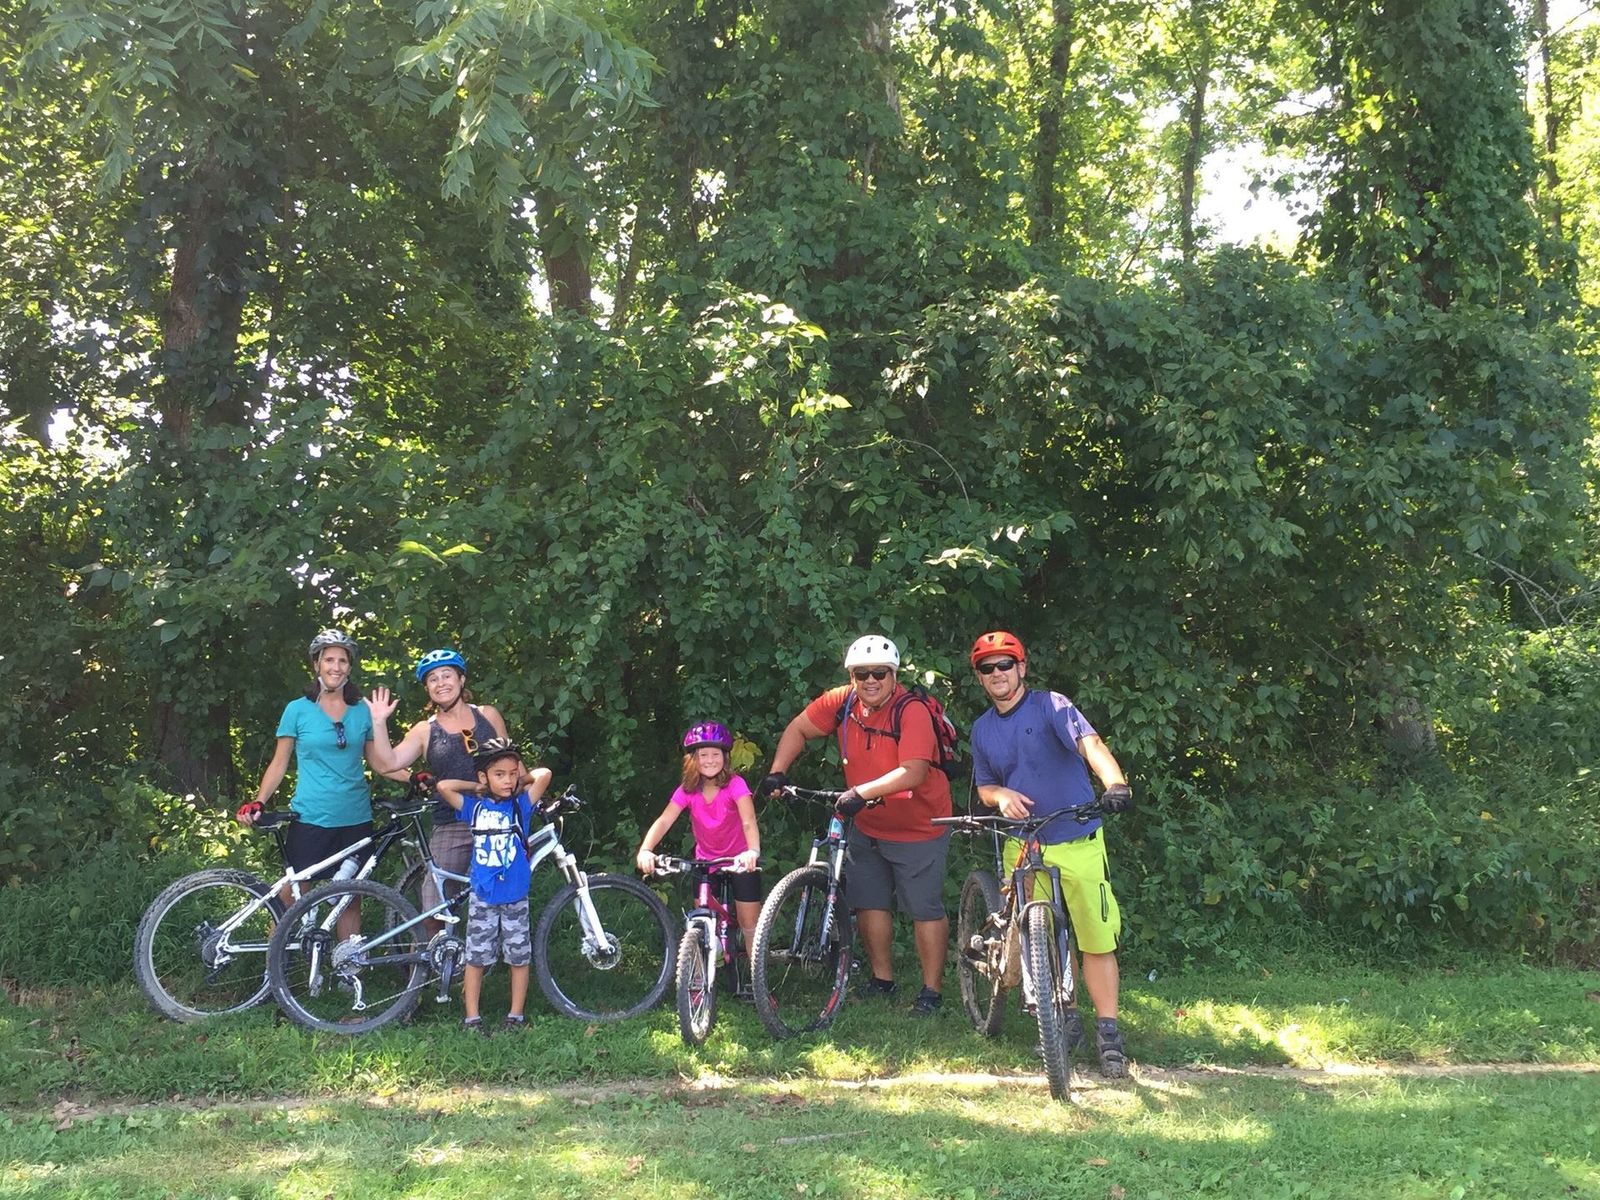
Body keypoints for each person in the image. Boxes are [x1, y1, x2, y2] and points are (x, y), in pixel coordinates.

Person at [967, 630, 1135, 1077]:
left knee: (1096, 939)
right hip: (1023, 843)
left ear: (1021, 667)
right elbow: (985, 787)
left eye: (1005, 664)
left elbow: (1091, 745)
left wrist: (1115, 784)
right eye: (987, 667)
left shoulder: (1051, 706)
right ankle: (1063, 1017)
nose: (997, 673)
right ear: (980, 677)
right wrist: (1001, 795)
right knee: (1038, 936)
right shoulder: (982, 729)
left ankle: (1109, 1034)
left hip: (1076, 837)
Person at [760, 634, 953, 1016]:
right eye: (862, 674)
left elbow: (913, 771)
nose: (870, 680)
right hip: (867, 823)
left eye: (879, 673)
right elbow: (799, 728)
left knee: (924, 908)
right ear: (851, 676)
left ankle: (931, 991)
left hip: (919, 827)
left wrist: (861, 792)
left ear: (893, 675)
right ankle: (882, 981)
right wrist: (778, 772)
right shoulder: (842, 702)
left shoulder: (910, 710)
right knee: (869, 902)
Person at [236, 629, 404, 939]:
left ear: (349, 667)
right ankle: (273, 959)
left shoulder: (362, 711)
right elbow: (279, 762)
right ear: (317, 664)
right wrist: (259, 800)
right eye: (329, 660)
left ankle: (348, 962)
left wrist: (417, 778)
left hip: (355, 818)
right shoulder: (297, 709)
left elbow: (381, 763)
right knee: (294, 893)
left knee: (350, 897)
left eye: (342, 661)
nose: (335, 667)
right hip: (312, 816)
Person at [371, 649, 510, 930]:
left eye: (447, 675)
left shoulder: (488, 715)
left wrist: (532, 797)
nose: (441, 683)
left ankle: (495, 954)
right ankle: (428, 957)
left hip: (497, 818)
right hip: (452, 822)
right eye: (432, 679)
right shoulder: (425, 730)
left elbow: (512, 764)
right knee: (434, 909)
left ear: (461, 679)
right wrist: (379, 721)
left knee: (502, 902)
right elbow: (388, 763)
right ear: (427, 689)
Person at [435, 737, 554, 1034]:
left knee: (519, 957)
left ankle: (516, 1015)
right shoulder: (473, 807)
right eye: (499, 774)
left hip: (515, 895)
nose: (508, 780)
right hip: (483, 896)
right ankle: (472, 1018)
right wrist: (476, 787)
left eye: (512, 773)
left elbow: (544, 774)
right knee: (476, 958)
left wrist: (519, 780)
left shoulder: (521, 805)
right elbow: (444, 787)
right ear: (484, 776)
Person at [636, 722, 763, 949]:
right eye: (703, 755)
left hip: (741, 859)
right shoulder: (687, 790)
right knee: (703, 921)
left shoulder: (735, 785)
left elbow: (748, 821)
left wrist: (752, 851)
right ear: (693, 759)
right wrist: (646, 849)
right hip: (705, 861)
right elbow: (665, 820)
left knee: (749, 924)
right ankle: (708, 962)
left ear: (725, 757)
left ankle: (757, 970)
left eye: (716, 754)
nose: (710, 760)